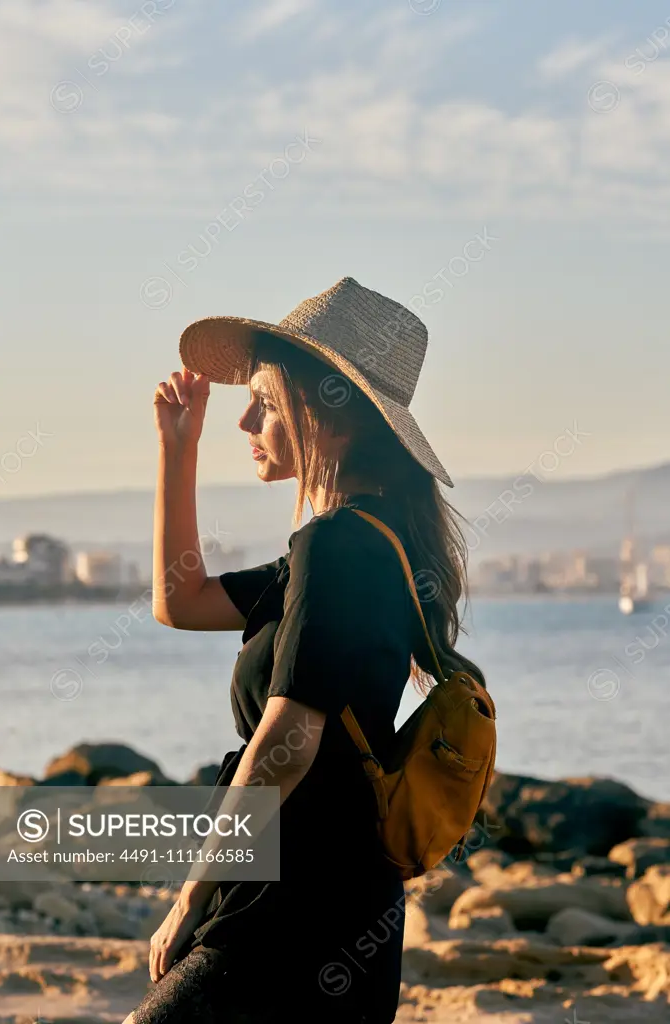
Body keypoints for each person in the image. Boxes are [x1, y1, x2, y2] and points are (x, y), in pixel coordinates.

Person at [124, 276, 485, 1023]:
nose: (245, 419)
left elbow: (288, 735)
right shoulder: (352, 543)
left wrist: (192, 891)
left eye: (263, 400)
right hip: (338, 904)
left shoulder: (342, 546)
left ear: (332, 414)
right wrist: (176, 450)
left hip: (296, 908)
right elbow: (179, 602)